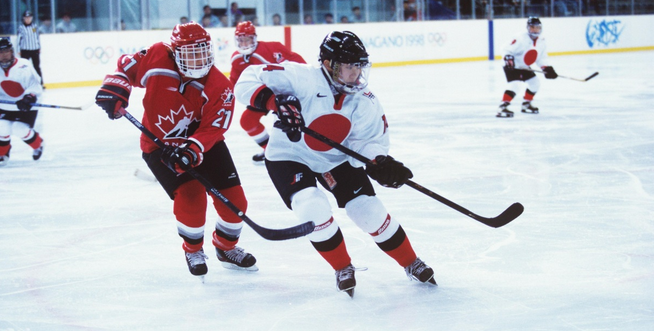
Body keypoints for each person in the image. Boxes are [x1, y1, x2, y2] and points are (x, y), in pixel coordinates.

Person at [234, 30, 436, 297]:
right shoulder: (300, 77)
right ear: (329, 64)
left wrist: (379, 161)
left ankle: (411, 261)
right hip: (289, 156)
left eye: (359, 65)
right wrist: (274, 101)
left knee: (368, 210)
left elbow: (367, 140)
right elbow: (246, 80)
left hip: (334, 158)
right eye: (350, 66)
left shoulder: (365, 100)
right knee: (312, 206)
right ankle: (342, 266)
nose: (356, 73)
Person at [94, 22, 257, 277]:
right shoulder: (158, 56)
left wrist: (192, 149)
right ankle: (193, 249)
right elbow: (125, 68)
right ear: (174, 52)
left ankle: (225, 248)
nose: (198, 60)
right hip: (159, 147)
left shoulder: (219, 86)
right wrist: (116, 88)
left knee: (236, 202)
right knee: (192, 199)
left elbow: (214, 129)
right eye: (190, 53)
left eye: (202, 52)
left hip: (204, 145)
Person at [229, 21, 306, 162]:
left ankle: (301, 152)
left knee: (288, 124)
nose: (245, 44)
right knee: (248, 121)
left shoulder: (273, 48)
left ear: (254, 38)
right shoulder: (236, 59)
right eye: (241, 40)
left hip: (286, 93)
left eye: (248, 40)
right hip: (263, 95)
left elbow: (298, 63)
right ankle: (269, 150)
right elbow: (234, 82)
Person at [496, 17, 557, 118]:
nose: (534, 30)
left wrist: (545, 68)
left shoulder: (541, 41)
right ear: (527, 28)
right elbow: (505, 48)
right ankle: (502, 107)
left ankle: (526, 104)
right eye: (532, 27)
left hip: (524, 66)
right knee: (515, 86)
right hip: (512, 65)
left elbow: (540, 57)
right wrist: (508, 58)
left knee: (535, 83)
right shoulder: (520, 38)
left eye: (537, 27)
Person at [0, 37, 44, 166]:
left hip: (26, 105)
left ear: (12, 52)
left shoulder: (24, 65)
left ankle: (38, 144)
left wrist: (29, 98)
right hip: (5, 104)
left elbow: (35, 85)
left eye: (6, 51)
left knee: (19, 129)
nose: (4, 55)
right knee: (0, 127)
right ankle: (2, 154)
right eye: (0, 52)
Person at [17, 11, 43, 87]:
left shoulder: (35, 26)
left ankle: (40, 83)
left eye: (29, 18)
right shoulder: (21, 27)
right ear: (23, 19)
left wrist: (39, 47)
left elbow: (37, 37)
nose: (28, 19)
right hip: (25, 50)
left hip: (34, 49)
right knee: (24, 68)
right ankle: (23, 83)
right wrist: (18, 50)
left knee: (37, 67)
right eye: (26, 18)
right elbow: (19, 39)